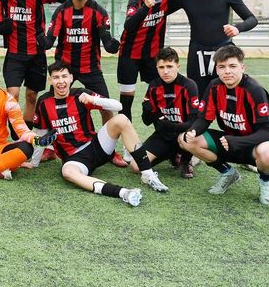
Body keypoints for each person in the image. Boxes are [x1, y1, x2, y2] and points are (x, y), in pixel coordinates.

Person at [32, 61, 168, 207]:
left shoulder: (80, 94)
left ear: (71, 78)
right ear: (50, 80)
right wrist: (34, 163)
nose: (61, 81)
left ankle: (148, 175)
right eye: (56, 77)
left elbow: (119, 106)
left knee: (121, 119)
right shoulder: (43, 102)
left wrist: (93, 99)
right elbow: (41, 134)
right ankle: (124, 193)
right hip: (74, 159)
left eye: (64, 76)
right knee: (68, 173)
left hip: (96, 146)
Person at [178, 45, 269, 205]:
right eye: (222, 67)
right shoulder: (214, 86)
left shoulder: (255, 90)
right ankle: (228, 173)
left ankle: (265, 181)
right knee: (185, 139)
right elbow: (205, 119)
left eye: (232, 66)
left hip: (256, 144)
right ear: (217, 69)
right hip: (229, 141)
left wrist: (237, 142)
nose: (227, 71)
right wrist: (193, 131)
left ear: (242, 67)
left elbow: (267, 131)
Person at [45, 0, 126, 167]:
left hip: (91, 68)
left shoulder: (98, 11)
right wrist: (41, 41)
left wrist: (112, 44)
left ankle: (110, 151)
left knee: (106, 107)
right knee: (51, 108)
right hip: (65, 70)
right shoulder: (62, 11)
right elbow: (49, 39)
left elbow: (106, 40)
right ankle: (49, 148)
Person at [172, 0, 258, 95]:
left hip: (223, 52)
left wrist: (238, 28)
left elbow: (252, 19)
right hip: (196, 54)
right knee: (197, 101)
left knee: (227, 99)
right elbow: (162, 10)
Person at [139, 47, 200, 178]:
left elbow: (194, 122)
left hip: (183, 134)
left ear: (177, 66)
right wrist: (147, 110)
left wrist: (169, 125)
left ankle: (186, 159)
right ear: (156, 67)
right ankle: (172, 153)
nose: (165, 71)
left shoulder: (189, 85)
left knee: (190, 135)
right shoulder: (154, 86)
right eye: (161, 67)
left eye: (169, 66)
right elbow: (146, 121)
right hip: (163, 135)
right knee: (136, 166)